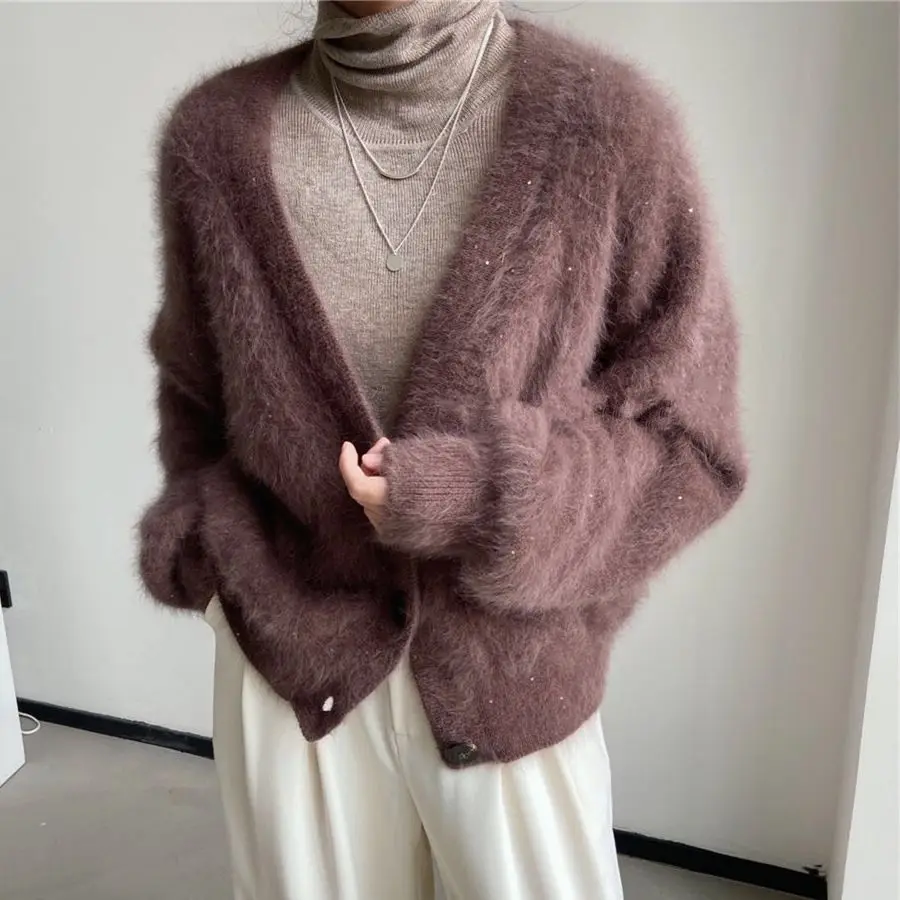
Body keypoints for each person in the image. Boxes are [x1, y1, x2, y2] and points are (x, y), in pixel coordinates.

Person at [137, 1, 747, 898]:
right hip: (290, 674)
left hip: (511, 678)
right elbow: (195, 391)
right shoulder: (214, 139)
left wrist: (480, 498)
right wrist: (202, 547)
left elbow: (690, 449)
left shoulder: (609, 127)